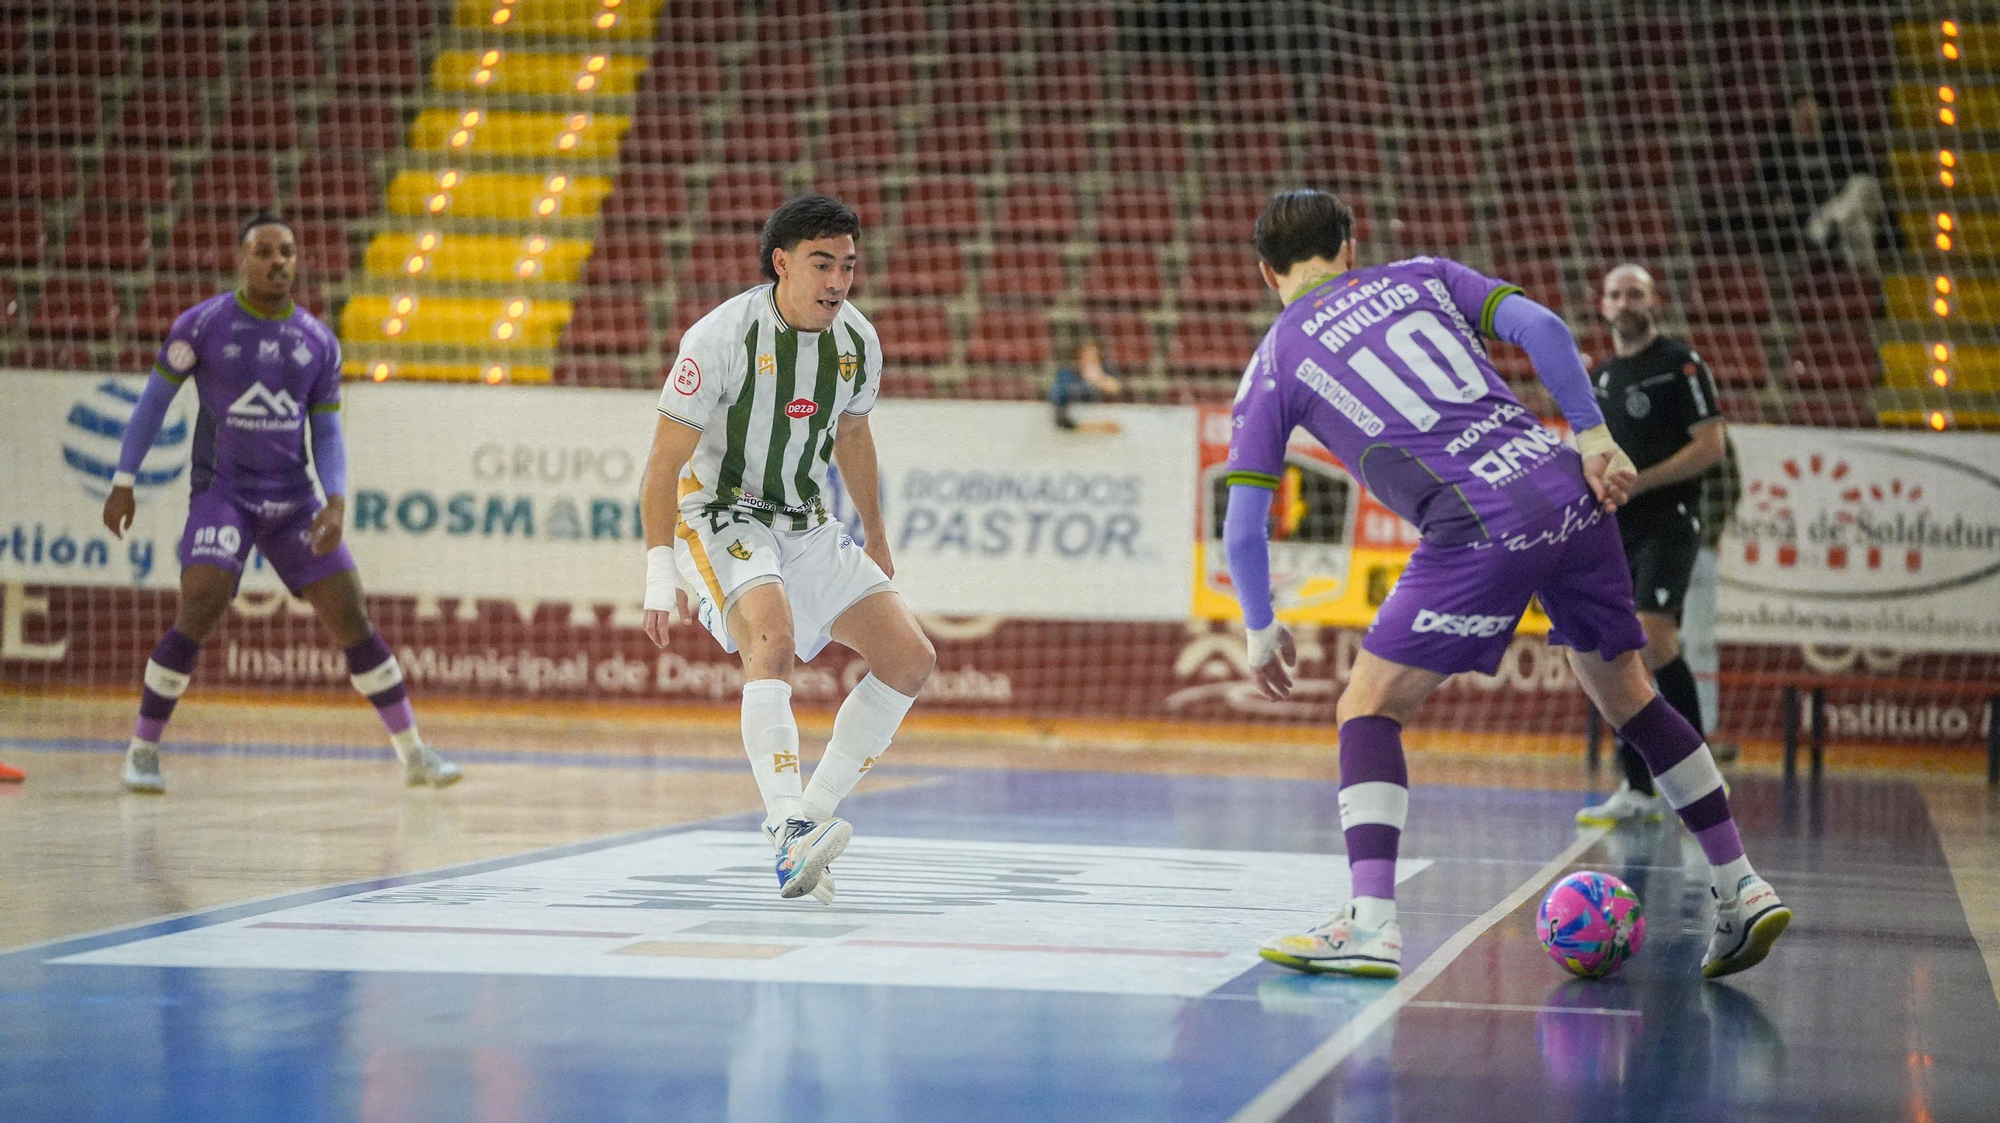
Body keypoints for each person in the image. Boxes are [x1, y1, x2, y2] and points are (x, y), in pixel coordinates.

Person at [1228, 190, 1788, 981]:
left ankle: (1371, 923)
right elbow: (1546, 328)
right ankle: (1741, 884)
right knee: (1632, 694)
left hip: (1476, 521)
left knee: (1368, 706)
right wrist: (1593, 436)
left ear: (1266, 273)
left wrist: (1260, 626)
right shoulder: (1423, 274)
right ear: (1350, 246)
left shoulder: (1275, 359)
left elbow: (1242, 525)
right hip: (1567, 489)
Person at [640, 194, 934, 904]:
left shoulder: (857, 341)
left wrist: (877, 532)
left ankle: (811, 817)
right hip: (720, 514)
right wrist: (657, 571)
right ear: (782, 264)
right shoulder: (718, 339)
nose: (838, 281)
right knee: (770, 639)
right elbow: (661, 462)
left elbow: (855, 437)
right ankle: (785, 825)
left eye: (849, 266)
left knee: (911, 658)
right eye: (822, 264)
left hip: (805, 521)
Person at [102, 215, 460, 793]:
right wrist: (124, 481)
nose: (278, 262)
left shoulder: (317, 341)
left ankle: (415, 754)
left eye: (287, 252)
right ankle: (142, 751)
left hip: (294, 501)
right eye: (264, 252)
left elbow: (328, 433)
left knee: (352, 617)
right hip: (224, 495)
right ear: (241, 261)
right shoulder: (204, 326)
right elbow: (151, 406)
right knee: (200, 605)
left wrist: (336, 500)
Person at [1576, 265, 1727, 826]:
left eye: (1634, 292)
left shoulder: (1679, 363)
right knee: (1617, 649)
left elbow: (1710, 446)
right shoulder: (1602, 377)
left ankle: (1701, 780)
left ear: (1653, 300)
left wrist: (1643, 479)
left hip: (1670, 518)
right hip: (1616, 526)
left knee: (1653, 635)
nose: (1624, 301)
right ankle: (1638, 790)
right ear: (1604, 306)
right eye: (1614, 293)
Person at [1757, 90, 1884, 276]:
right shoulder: (1779, 150)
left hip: (1834, 220)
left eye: (1813, 116)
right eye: (1801, 115)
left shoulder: (1843, 143)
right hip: (1810, 224)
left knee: (1863, 186)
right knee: (1862, 229)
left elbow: (1867, 181)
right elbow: (1764, 188)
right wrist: (1776, 201)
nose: (1807, 121)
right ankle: (1867, 285)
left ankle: (1829, 225)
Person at [1050, 333, 1121, 432]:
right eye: (1086, 355)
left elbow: (1115, 388)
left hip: (1098, 423)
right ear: (1078, 357)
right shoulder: (1067, 373)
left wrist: (1097, 379)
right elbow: (1059, 396)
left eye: (1094, 356)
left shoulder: (1105, 371)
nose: (1090, 359)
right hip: (1073, 425)